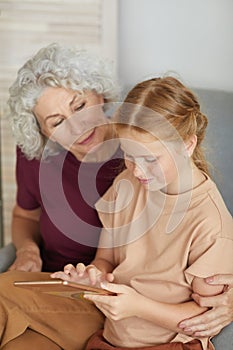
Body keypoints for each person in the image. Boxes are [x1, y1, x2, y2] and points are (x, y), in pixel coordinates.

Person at [52, 77, 233, 350]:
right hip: (111, 339)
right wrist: (93, 276)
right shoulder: (127, 183)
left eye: (150, 159)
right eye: (129, 155)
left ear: (187, 145)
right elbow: (106, 258)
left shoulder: (210, 224)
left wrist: (137, 306)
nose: (137, 171)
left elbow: (205, 317)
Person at [0, 43, 124, 350]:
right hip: (51, 286)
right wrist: (28, 250)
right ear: (43, 133)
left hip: (114, 300)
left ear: (99, 94)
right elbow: (25, 214)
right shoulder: (35, 158)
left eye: (79, 106)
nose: (76, 125)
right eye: (56, 122)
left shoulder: (144, 151)